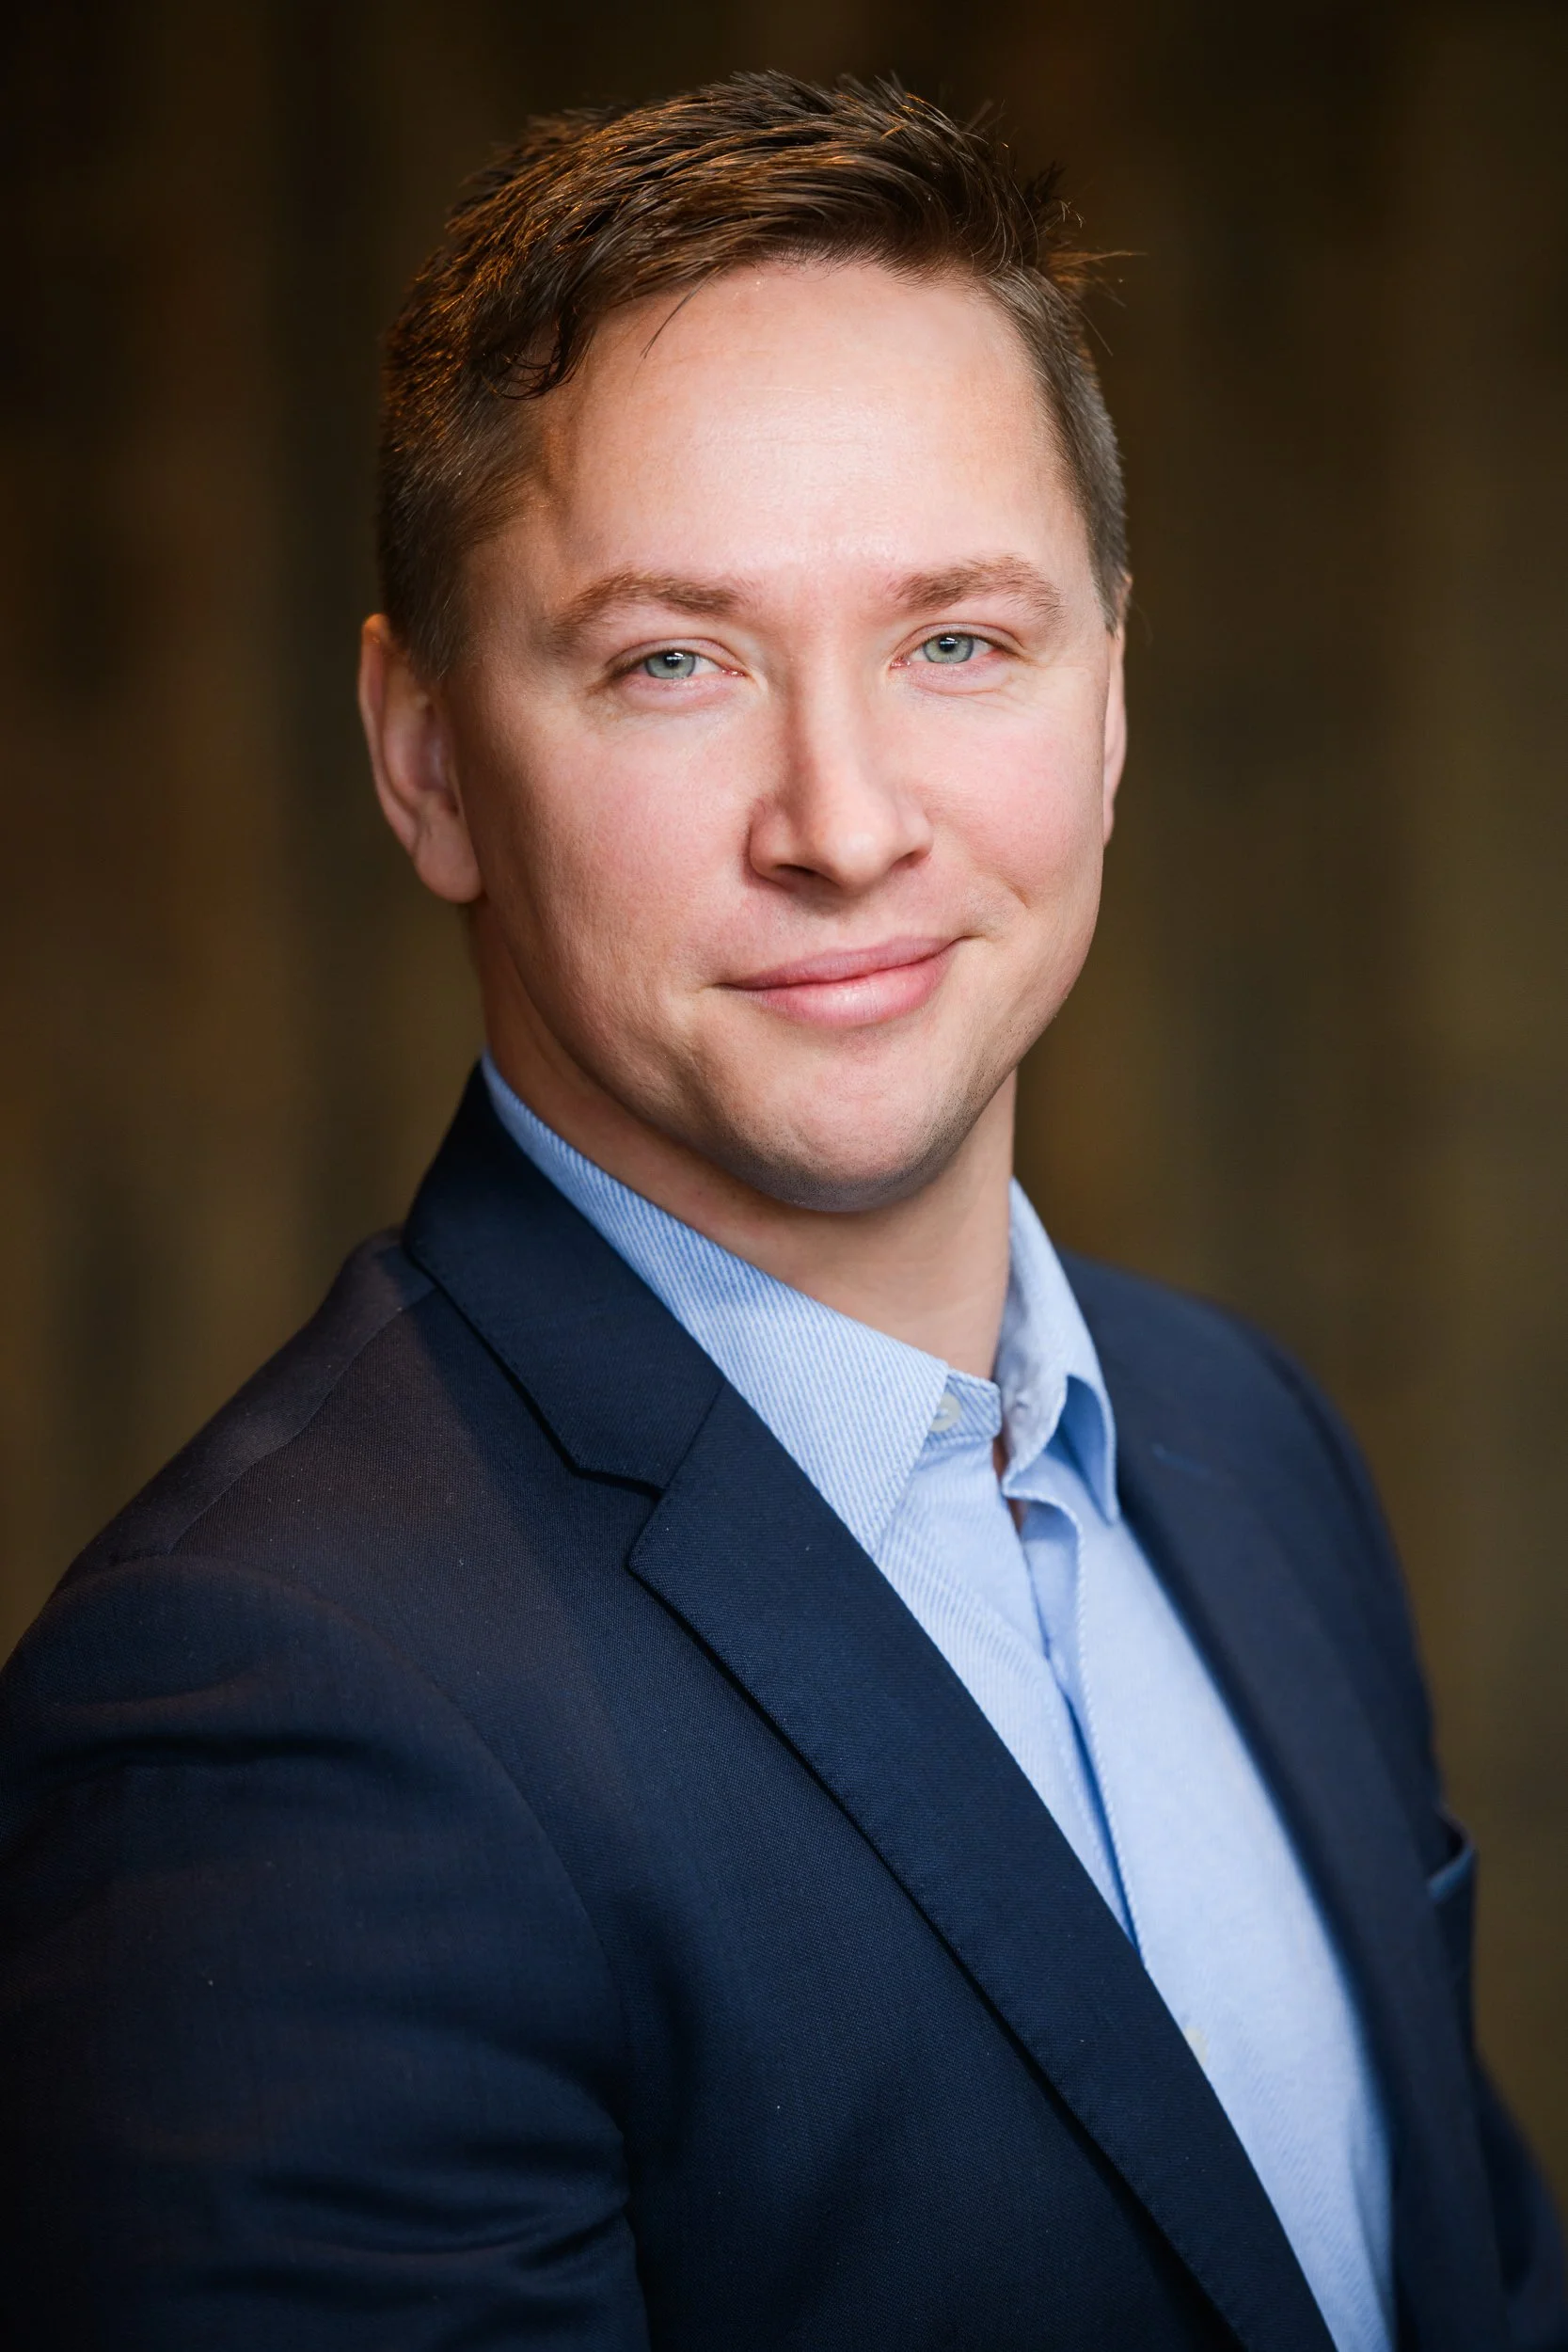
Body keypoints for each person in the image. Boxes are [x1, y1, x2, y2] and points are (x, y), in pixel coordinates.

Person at [0, 72, 1560, 2352]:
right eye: (671, 661)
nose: (842, 822)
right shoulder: (263, 1707)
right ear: (423, 754)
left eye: (958, 640)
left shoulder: (1243, 1446)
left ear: (1109, 695)